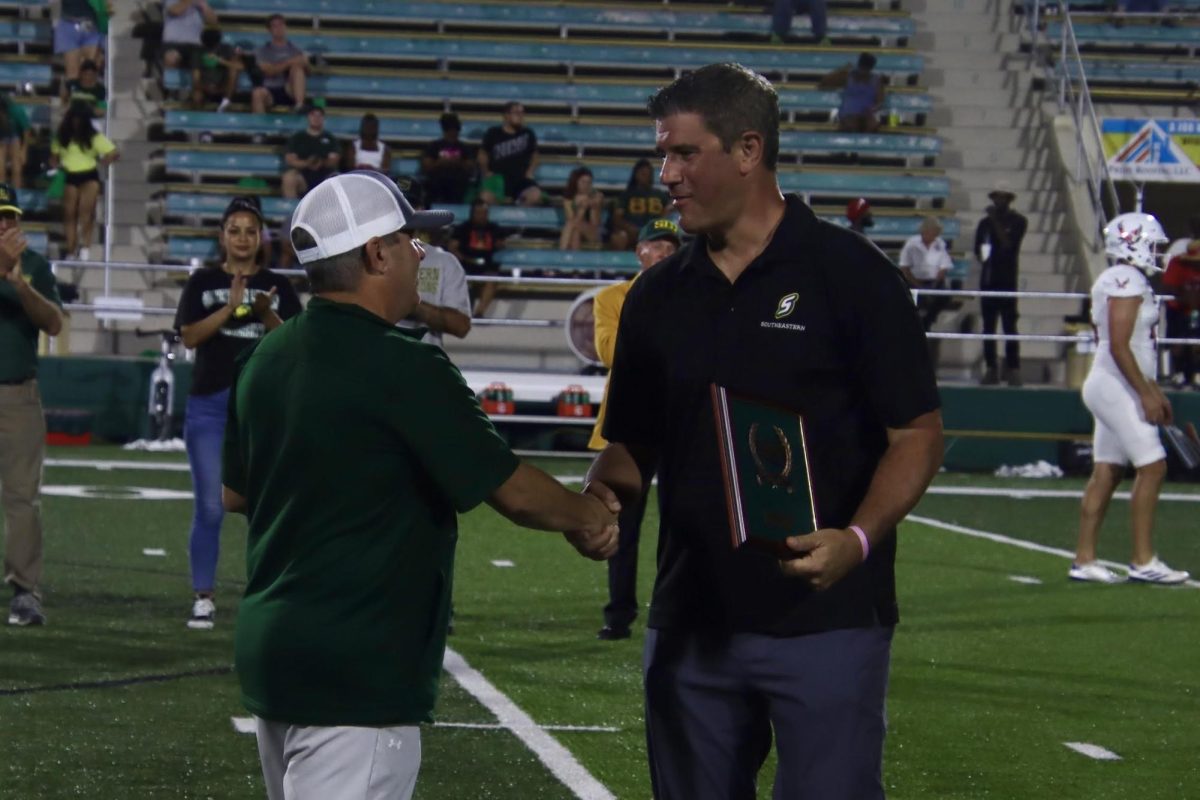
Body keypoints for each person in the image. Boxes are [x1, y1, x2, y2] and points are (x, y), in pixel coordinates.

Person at [586, 63, 943, 799]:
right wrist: (595, 503)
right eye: (663, 154)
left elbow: (917, 434)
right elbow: (630, 447)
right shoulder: (656, 296)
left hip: (829, 620)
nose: (667, 174)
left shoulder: (853, 275)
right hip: (692, 623)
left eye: (684, 153)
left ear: (748, 150)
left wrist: (860, 539)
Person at [221, 171, 618, 799]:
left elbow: (236, 496)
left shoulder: (264, 359)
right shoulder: (404, 363)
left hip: (275, 649)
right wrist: (590, 513)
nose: (419, 255)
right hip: (358, 663)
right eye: (409, 241)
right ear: (376, 254)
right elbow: (512, 490)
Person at [174, 196, 302, 629]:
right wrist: (228, 308)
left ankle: (268, 593)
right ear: (222, 236)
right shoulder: (202, 281)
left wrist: (266, 316)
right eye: (235, 230)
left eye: (251, 230)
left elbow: (297, 346)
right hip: (210, 406)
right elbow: (189, 337)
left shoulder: (279, 286)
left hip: (264, 408)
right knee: (211, 507)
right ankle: (203, 596)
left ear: (261, 237)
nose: (243, 238)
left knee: (265, 507)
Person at [1070, 212, 1189, 586]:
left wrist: (1152, 390)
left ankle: (1084, 559)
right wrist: (1146, 393)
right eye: (1151, 244)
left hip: (1113, 381)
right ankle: (1143, 559)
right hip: (1115, 382)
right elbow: (1120, 346)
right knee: (1153, 466)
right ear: (1133, 242)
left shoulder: (1122, 279)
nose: (1157, 252)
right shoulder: (1126, 279)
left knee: (1107, 470)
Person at [589, 217, 681, 641]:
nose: (663, 253)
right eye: (655, 245)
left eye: (670, 246)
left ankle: (675, 609)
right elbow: (610, 352)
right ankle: (618, 613)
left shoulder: (696, 295)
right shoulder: (612, 297)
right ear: (638, 253)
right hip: (630, 425)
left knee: (684, 525)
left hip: (683, 422)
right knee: (622, 524)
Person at [0, 183, 63, 627]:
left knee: (23, 498)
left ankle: (24, 591)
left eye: (9, 216)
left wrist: (19, 283)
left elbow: (54, 323)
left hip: (16, 393)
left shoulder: (35, 266)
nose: (4, 224)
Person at [393, 177, 472, 349]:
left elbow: (461, 326)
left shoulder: (444, 262)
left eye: (409, 205)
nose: (401, 212)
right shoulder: (364, 255)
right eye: (395, 205)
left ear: (421, 210)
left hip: (423, 366)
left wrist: (413, 305)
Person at [50, 103, 119, 261]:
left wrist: (103, 161)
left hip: (89, 175)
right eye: (74, 119)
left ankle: (86, 246)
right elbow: (54, 155)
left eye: (80, 119)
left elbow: (113, 152)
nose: (76, 122)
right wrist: (54, 163)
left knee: (85, 212)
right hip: (69, 175)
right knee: (69, 214)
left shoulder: (93, 137)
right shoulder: (61, 136)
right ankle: (70, 249)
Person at [974, 181, 1027, 386]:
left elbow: (1008, 245)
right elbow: (978, 250)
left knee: (1009, 326)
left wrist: (995, 220)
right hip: (988, 280)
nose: (999, 201)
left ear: (1009, 199)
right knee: (988, 327)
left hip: (1007, 280)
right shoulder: (983, 224)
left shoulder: (1018, 221)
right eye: (996, 197)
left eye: (1003, 197)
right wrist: (983, 253)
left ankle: (1013, 367)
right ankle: (991, 367)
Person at [449, 198, 506, 317]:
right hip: (466, 263)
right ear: (472, 213)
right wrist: (462, 258)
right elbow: (452, 247)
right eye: (478, 213)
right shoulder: (463, 228)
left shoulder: (494, 228)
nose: (481, 216)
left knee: (493, 279)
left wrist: (500, 244)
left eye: (484, 213)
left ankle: (479, 312)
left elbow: (502, 245)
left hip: (486, 266)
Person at [479, 101, 541, 206]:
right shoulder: (493, 132)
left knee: (535, 196)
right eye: (516, 113)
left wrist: (530, 172)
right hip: (497, 179)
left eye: (522, 113)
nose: (520, 116)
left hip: (521, 179)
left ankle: (518, 211)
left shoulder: (527, 133)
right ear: (506, 115)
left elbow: (535, 156)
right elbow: (482, 154)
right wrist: (486, 172)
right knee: (484, 197)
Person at [898, 216, 953, 334]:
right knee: (910, 297)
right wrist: (918, 285)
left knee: (944, 295)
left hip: (934, 282)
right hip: (914, 281)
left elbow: (944, 266)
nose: (936, 235)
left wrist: (935, 283)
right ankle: (915, 323)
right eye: (934, 232)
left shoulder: (940, 243)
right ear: (926, 231)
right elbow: (904, 268)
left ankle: (928, 320)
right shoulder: (912, 244)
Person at [1161, 239, 1200, 389]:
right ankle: (1180, 373)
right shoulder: (1177, 263)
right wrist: (1187, 297)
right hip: (1178, 308)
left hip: (1197, 309)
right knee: (1178, 342)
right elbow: (1168, 287)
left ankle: (1196, 374)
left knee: (1197, 344)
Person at [250, 14, 308, 114]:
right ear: (269, 30)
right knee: (257, 93)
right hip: (269, 89)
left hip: (288, 89)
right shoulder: (262, 51)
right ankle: (259, 127)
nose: (279, 28)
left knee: (297, 69)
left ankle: (299, 106)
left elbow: (307, 71)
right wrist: (290, 62)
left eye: (281, 25)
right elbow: (269, 71)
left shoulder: (295, 50)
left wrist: (305, 63)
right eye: (274, 26)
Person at [608, 158, 670, 251]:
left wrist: (657, 225)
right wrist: (629, 228)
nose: (646, 177)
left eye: (648, 174)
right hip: (632, 231)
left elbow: (669, 208)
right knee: (619, 238)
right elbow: (617, 217)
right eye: (643, 174)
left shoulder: (659, 194)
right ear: (636, 175)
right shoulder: (627, 195)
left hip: (654, 230)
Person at [282, 104, 340, 200]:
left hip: (324, 176)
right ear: (308, 117)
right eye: (313, 115)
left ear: (323, 119)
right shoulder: (298, 138)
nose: (316, 118)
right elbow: (290, 160)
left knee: (337, 177)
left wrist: (322, 163)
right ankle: (292, 212)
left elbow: (334, 159)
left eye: (319, 115)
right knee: (289, 178)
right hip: (303, 176)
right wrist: (307, 163)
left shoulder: (330, 138)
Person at [819, 52, 885, 134]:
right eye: (862, 67)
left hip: (866, 116)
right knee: (852, 123)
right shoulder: (847, 76)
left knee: (871, 124)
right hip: (849, 116)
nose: (863, 71)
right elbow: (823, 84)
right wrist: (842, 69)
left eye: (866, 68)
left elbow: (880, 102)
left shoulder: (876, 81)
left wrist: (872, 110)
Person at [421, 111, 476, 205]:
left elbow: (471, 167)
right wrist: (440, 163)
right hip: (437, 184)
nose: (452, 133)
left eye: (454, 130)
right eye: (449, 130)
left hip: (459, 184)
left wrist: (458, 162)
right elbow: (426, 166)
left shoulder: (464, 148)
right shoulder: (434, 146)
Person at [191, 28, 242, 113]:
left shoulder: (226, 49)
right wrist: (206, 87)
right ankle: (198, 120)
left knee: (233, 71)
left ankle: (226, 102)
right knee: (197, 95)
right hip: (205, 87)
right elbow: (196, 78)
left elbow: (239, 66)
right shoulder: (198, 52)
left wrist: (220, 61)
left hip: (224, 86)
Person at [160, 0, 218, 74]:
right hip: (173, 42)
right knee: (171, 58)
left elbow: (213, 21)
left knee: (209, 60)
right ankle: (170, 83)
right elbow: (175, 11)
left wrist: (205, 7)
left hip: (196, 43)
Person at [54, 0, 104, 83]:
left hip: (90, 23)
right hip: (69, 23)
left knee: (89, 69)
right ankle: (74, 92)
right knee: (72, 73)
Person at [559, 166, 605, 250]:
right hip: (576, 228)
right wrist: (582, 208)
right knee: (575, 232)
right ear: (575, 182)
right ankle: (573, 259)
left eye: (589, 182)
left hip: (594, 232)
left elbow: (594, 223)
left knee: (571, 225)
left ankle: (562, 253)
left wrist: (591, 205)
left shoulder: (596, 196)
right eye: (583, 182)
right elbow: (571, 218)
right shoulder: (568, 198)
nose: (586, 185)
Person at [0, 93, 31, 189]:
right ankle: (2, 192)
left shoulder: (16, 111)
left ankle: (16, 192)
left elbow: (26, 130)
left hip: (15, 136)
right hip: (2, 136)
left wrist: (24, 149)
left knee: (16, 165)